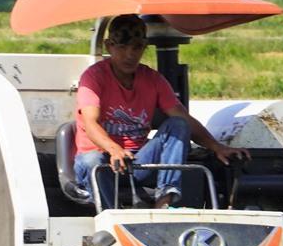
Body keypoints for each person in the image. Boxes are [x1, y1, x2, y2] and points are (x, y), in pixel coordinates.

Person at [73, 14, 245, 208]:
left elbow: (183, 118)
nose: (130, 55)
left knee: (178, 124)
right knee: (92, 160)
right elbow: (90, 123)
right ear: (108, 46)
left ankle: (164, 201)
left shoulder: (153, 80)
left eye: (137, 47)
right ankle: (108, 215)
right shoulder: (93, 77)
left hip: (136, 162)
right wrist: (114, 150)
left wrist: (217, 147)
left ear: (144, 47)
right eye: (122, 47)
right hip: (102, 161)